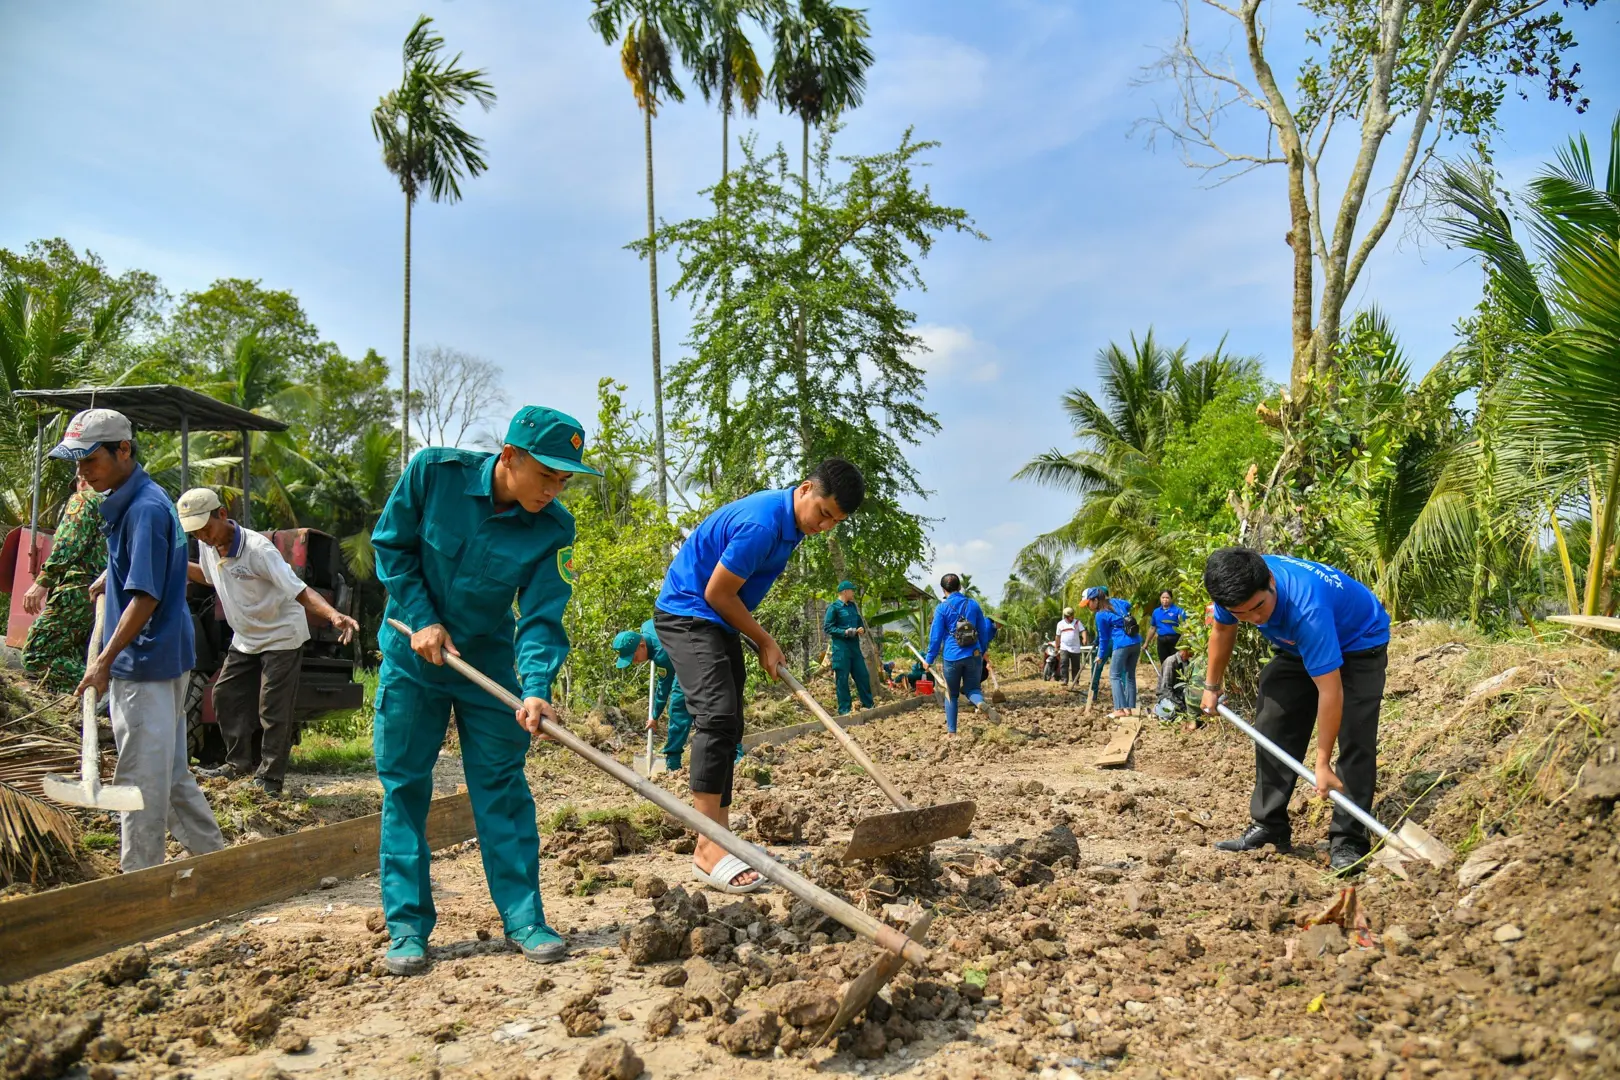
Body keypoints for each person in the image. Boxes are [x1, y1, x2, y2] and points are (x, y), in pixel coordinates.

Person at [370, 405, 601, 975]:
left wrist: (538, 686)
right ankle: (406, 928)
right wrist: (422, 617)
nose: (554, 489)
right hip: (412, 654)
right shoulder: (434, 473)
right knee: (405, 785)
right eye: (545, 475)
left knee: (500, 784)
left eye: (564, 479)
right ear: (509, 457)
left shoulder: (554, 528)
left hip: (488, 663)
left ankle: (524, 917)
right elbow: (391, 546)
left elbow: (543, 615)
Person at [656, 459, 864, 894]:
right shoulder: (764, 525)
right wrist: (765, 639)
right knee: (714, 716)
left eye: (835, 522)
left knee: (730, 723)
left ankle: (723, 835)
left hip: (716, 619)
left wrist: (751, 634)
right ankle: (707, 847)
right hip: (688, 613)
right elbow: (717, 591)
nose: (825, 526)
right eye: (824, 513)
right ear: (805, 489)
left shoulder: (791, 526)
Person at [52, 409, 225, 873]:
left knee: (140, 783)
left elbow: (146, 596)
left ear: (123, 450)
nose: (82, 472)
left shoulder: (144, 509)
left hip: (144, 661)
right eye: (77, 462)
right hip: (164, 652)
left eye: (90, 460)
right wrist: (110, 575)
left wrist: (104, 660)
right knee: (170, 776)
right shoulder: (143, 499)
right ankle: (220, 866)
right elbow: (146, 562)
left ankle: (139, 882)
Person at [1200, 548, 1391, 874]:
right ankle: (1269, 826)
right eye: (1243, 613)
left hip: (1359, 642)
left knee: (1355, 735)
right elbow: (1222, 630)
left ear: (1271, 582)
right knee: (1272, 723)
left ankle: (1349, 839)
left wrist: (1321, 763)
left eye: (1259, 607)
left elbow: (1330, 691)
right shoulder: (1235, 587)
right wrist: (1211, 686)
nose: (1256, 619)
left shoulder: (1307, 609)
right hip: (1295, 647)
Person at [179, 489, 360, 796]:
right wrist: (175, 566)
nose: (203, 537)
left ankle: (271, 779)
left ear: (222, 515)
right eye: (195, 532)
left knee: (272, 708)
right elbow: (210, 579)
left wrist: (332, 615)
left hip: (280, 635)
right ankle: (237, 764)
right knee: (224, 695)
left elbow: (299, 590)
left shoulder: (258, 550)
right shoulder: (207, 545)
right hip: (247, 636)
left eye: (206, 528)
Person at [610, 618, 741, 773]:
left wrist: (655, 715)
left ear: (642, 645)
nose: (634, 662)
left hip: (700, 652)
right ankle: (733, 750)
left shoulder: (662, 653)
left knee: (679, 706)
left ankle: (674, 759)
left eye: (633, 657)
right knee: (719, 700)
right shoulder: (647, 627)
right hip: (696, 645)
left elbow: (664, 685)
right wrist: (654, 715)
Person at [21, 478, 106, 693]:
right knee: (74, 655)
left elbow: (70, 544)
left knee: (36, 654)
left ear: (83, 479)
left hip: (76, 590)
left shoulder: (84, 500)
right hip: (101, 592)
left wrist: (42, 582)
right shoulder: (115, 505)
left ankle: (107, 691)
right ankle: (83, 703)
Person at [924, 573, 994, 736]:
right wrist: (982, 651)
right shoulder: (973, 605)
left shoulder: (942, 608)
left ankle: (952, 732)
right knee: (972, 689)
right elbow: (983, 631)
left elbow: (936, 637)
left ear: (943, 589)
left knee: (952, 694)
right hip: (973, 654)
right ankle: (979, 702)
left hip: (952, 657)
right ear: (960, 587)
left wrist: (929, 659)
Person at [1083, 585, 1142, 717]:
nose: (1088, 606)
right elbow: (1128, 604)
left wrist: (1100, 655)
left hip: (1121, 644)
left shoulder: (1100, 615)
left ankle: (1119, 709)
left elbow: (1103, 638)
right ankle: (1129, 708)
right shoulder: (1116, 602)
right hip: (1136, 641)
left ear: (1096, 600)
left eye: (1088, 603)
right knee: (1129, 675)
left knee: (1114, 675)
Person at [823, 579, 874, 715]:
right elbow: (828, 627)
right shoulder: (834, 608)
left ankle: (868, 705)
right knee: (842, 679)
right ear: (845, 592)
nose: (853, 593)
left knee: (862, 675)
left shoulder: (852, 606)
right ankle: (844, 710)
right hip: (841, 649)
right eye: (852, 590)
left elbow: (858, 621)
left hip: (854, 648)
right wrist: (844, 632)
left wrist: (860, 628)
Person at [1156, 640, 1194, 719]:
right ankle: (1158, 709)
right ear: (1185, 650)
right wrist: (1181, 705)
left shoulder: (1187, 663)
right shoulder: (1171, 662)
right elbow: (1165, 690)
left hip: (1178, 695)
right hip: (1167, 697)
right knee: (1170, 713)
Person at [1053, 606, 1088, 688]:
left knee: (1076, 666)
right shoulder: (1060, 624)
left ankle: (1076, 681)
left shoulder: (1077, 622)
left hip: (1075, 648)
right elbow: (1057, 636)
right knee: (1064, 663)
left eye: (1073, 615)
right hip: (1064, 647)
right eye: (1071, 615)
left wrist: (1084, 639)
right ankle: (1064, 680)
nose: (1073, 617)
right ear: (1066, 616)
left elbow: (1083, 631)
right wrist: (1056, 646)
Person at [1150, 590, 1188, 664]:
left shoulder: (1178, 610)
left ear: (1171, 599)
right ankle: (1165, 675)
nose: (1165, 600)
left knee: (1176, 662)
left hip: (1175, 640)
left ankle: (1176, 675)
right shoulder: (1156, 611)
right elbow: (1152, 628)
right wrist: (1146, 643)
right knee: (1164, 662)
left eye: (1167, 597)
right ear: (1160, 598)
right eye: (1163, 597)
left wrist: (1184, 641)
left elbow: (1185, 625)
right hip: (1161, 641)